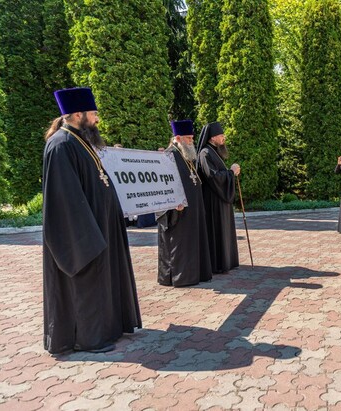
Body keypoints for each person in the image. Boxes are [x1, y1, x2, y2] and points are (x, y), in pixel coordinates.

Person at [42, 87, 141, 354]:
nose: (97, 119)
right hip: (82, 236)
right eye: (94, 113)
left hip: (100, 228)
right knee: (86, 283)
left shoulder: (80, 140)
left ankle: (106, 329)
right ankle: (87, 338)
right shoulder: (61, 145)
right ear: (77, 114)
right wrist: (88, 236)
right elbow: (64, 200)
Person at [157, 120, 213, 287]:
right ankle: (179, 276)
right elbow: (162, 185)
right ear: (178, 138)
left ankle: (194, 273)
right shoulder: (168, 156)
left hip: (192, 210)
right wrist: (172, 203)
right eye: (188, 138)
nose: (192, 141)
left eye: (192, 138)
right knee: (179, 243)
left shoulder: (186, 155)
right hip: (178, 211)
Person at [196, 122, 240, 273]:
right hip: (213, 201)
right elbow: (213, 177)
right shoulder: (205, 153)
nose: (224, 138)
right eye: (221, 136)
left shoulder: (214, 152)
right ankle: (218, 263)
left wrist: (230, 173)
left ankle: (227, 261)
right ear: (212, 137)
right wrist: (231, 173)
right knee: (216, 231)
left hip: (220, 200)